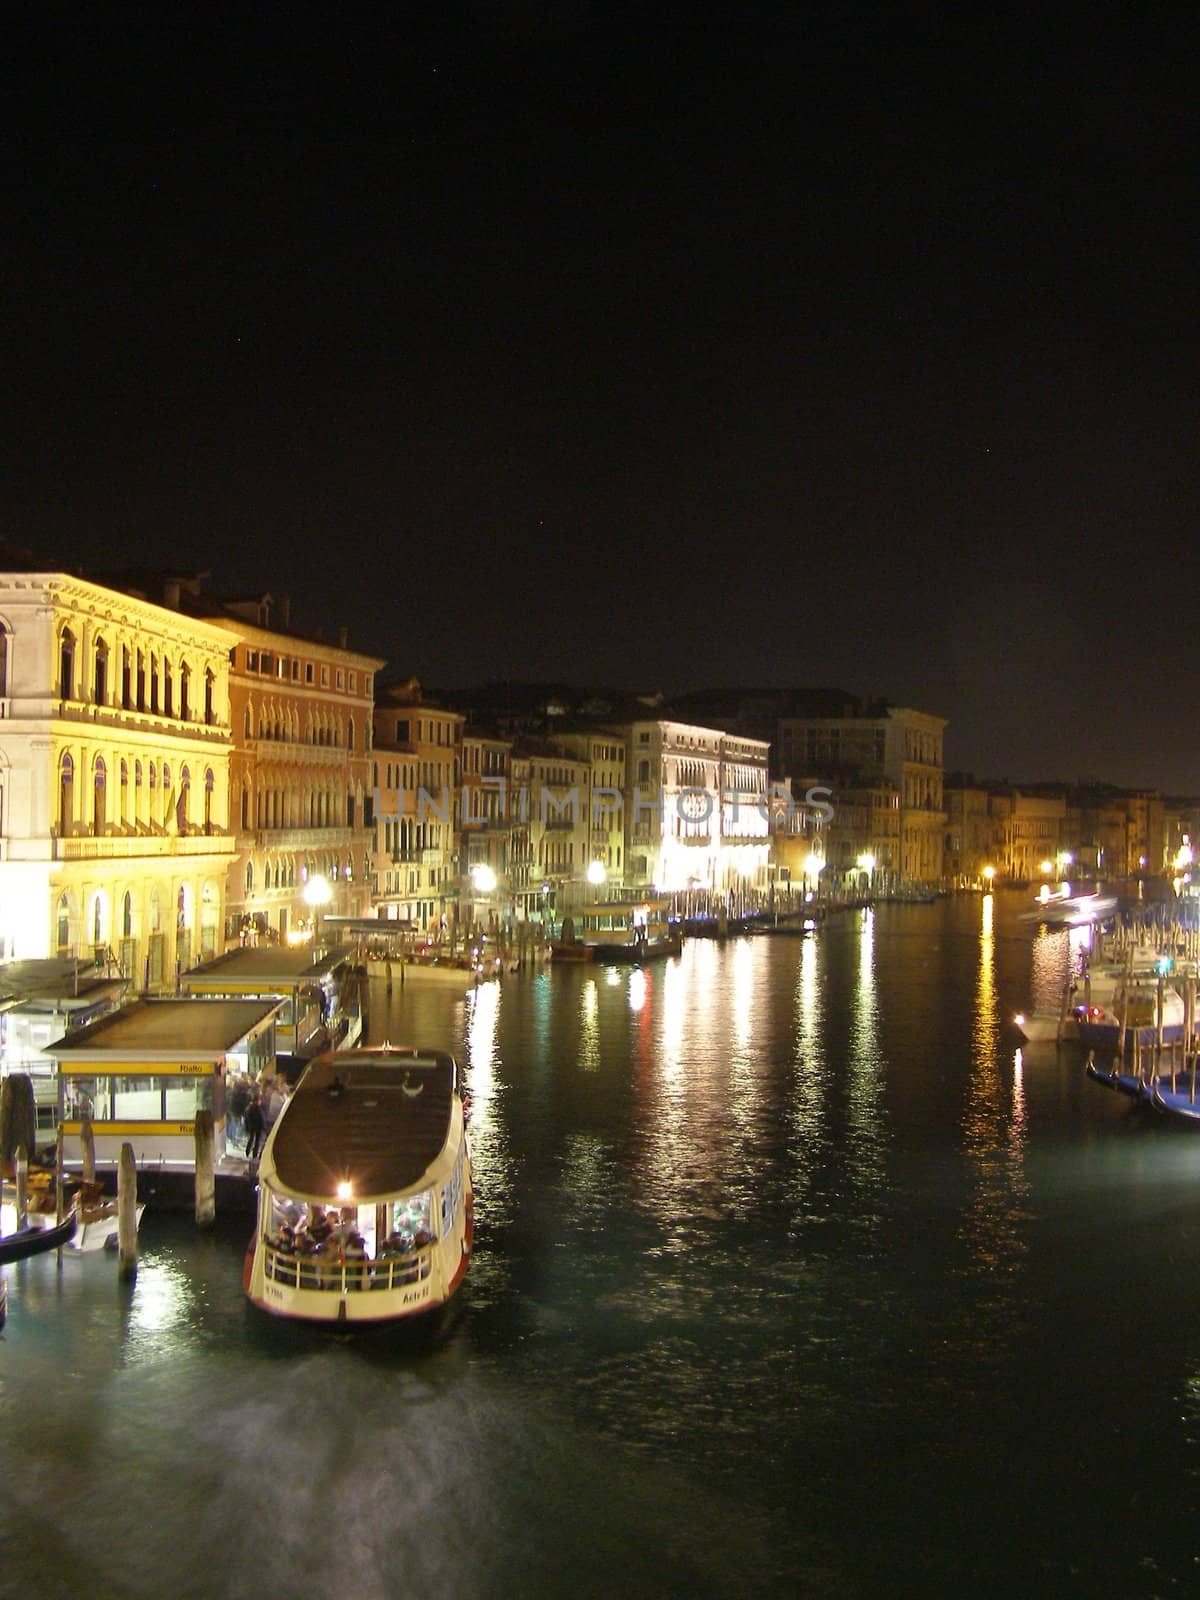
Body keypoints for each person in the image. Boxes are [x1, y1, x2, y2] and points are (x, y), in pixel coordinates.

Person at [244, 1093, 266, 1160]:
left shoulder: (248, 1108)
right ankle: (254, 1154)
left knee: (251, 1139)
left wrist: (247, 1127)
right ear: (257, 1101)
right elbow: (262, 1119)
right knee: (257, 1141)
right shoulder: (258, 1109)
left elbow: (246, 1119)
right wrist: (264, 1127)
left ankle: (247, 1151)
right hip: (258, 1127)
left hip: (251, 1127)